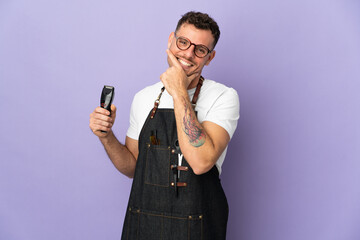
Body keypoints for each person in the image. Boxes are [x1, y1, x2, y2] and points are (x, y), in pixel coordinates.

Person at [89, 11, 239, 240]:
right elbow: (132, 167)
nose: (188, 53)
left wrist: (179, 90)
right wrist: (106, 135)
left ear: (210, 57)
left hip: (198, 227)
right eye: (183, 42)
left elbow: (200, 162)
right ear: (171, 40)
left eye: (200, 50)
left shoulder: (224, 97)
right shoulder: (144, 97)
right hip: (144, 224)